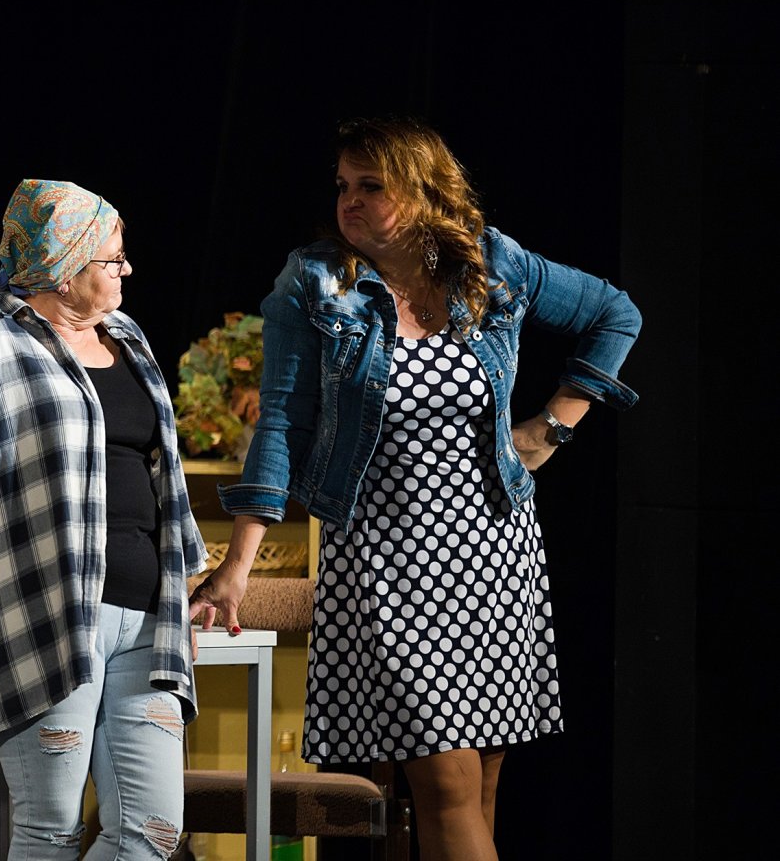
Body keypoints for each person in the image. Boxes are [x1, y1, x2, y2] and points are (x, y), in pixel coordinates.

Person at [190, 116, 641, 860]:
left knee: (481, 785)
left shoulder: (492, 264)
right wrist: (238, 564)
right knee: (446, 788)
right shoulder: (316, 283)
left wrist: (552, 426)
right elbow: (281, 422)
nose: (350, 201)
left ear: (425, 190)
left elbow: (615, 314)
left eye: (371, 186)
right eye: (343, 186)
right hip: (386, 560)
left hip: (494, 550)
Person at [0, 178, 206, 860]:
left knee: (155, 831)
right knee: (50, 829)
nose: (127, 270)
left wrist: (186, 584)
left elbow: (161, 470)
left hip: (146, 617)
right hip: (42, 615)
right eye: (113, 258)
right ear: (63, 268)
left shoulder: (129, 338)